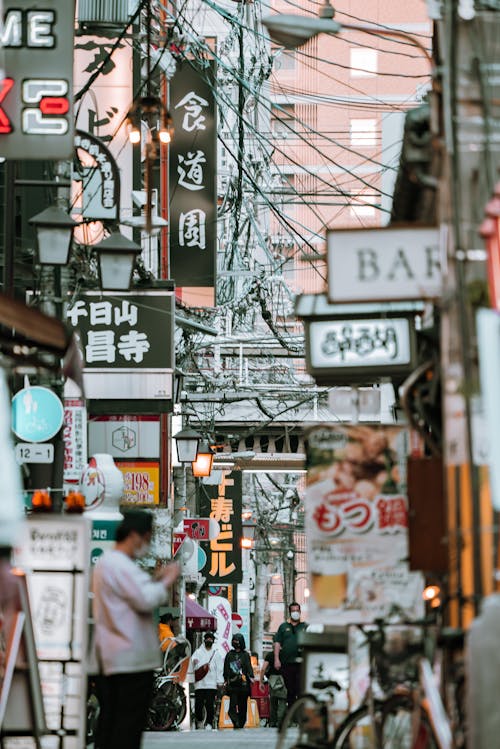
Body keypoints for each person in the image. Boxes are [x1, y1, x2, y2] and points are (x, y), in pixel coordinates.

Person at [91, 510, 179, 749]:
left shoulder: (111, 564)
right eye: (148, 538)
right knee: (126, 727)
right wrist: (166, 581)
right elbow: (145, 599)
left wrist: (153, 580)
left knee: (113, 723)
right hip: (127, 659)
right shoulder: (118, 564)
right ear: (134, 535)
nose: (147, 545)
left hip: (115, 657)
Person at [273, 602, 307, 711]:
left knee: (300, 689)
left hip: (301, 663)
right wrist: (276, 659)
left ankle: (300, 713)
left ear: (300, 612)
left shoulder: (305, 626)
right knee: (290, 689)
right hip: (287, 663)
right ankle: (291, 713)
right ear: (290, 612)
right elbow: (277, 643)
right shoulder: (283, 627)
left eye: (297, 611)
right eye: (293, 611)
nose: (295, 613)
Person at [192, 631, 223, 730]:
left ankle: (209, 722)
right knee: (198, 704)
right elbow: (192, 664)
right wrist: (194, 662)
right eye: (207, 639)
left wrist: (219, 682)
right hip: (200, 683)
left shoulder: (216, 654)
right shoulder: (198, 652)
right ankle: (199, 720)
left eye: (211, 639)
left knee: (210, 704)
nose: (209, 640)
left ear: (213, 641)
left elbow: (219, 668)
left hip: (211, 683)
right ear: (204, 640)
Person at [223, 632, 254, 729]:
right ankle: (235, 721)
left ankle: (241, 723)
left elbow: (249, 667)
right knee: (232, 707)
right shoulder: (229, 654)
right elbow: (226, 668)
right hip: (232, 684)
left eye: (237, 640)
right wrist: (226, 679)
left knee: (243, 706)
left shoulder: (245, 655)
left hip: (243, 685)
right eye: (234, 640)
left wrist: (251, 677)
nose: (235, 642)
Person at [260, 650, 287, 728]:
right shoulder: (286, 654)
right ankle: (280, 722)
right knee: (283, 702)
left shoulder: (270, 655)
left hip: (272, 681)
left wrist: (261, 682)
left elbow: (263, 669)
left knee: (273, 703)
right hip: (284, 680)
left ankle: (272, 722)